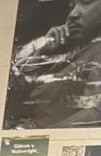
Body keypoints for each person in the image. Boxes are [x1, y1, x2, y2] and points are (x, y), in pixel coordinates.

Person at [7, 0, 101, 129]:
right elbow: (16, 93)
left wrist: (40, 135)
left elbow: (95, 113)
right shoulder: (70, 52)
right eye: (71, 6)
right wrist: (43, 51)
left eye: (85, 2)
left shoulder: (97, 52)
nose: (73, 14)